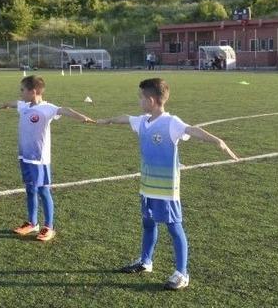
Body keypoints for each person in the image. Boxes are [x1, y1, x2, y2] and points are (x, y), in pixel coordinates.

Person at [97, 78, 238, 291]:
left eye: (141, 98)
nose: (139, 101)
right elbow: (127, 118)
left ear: (151, 100)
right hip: (147, 185)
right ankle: (146, 262)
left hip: (166, 189)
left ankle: (182, 273)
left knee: (174, 227)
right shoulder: (143, 121)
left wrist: (218, 141)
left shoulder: (171, 123)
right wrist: (107, 120)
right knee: (148, 223)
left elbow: (192, 130)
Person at [0, 75, 94, 241]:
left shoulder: (47, 108)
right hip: (25, 156)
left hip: (39, 159)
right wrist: (6, 104)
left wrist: (82, 117)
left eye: (23, 90)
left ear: (33, 91)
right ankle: (32, 222)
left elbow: (64, 110)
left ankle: (49, 226)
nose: (20, 93)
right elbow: (15, 102)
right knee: (29, 189)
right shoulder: (24, 105)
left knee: (43, 190)